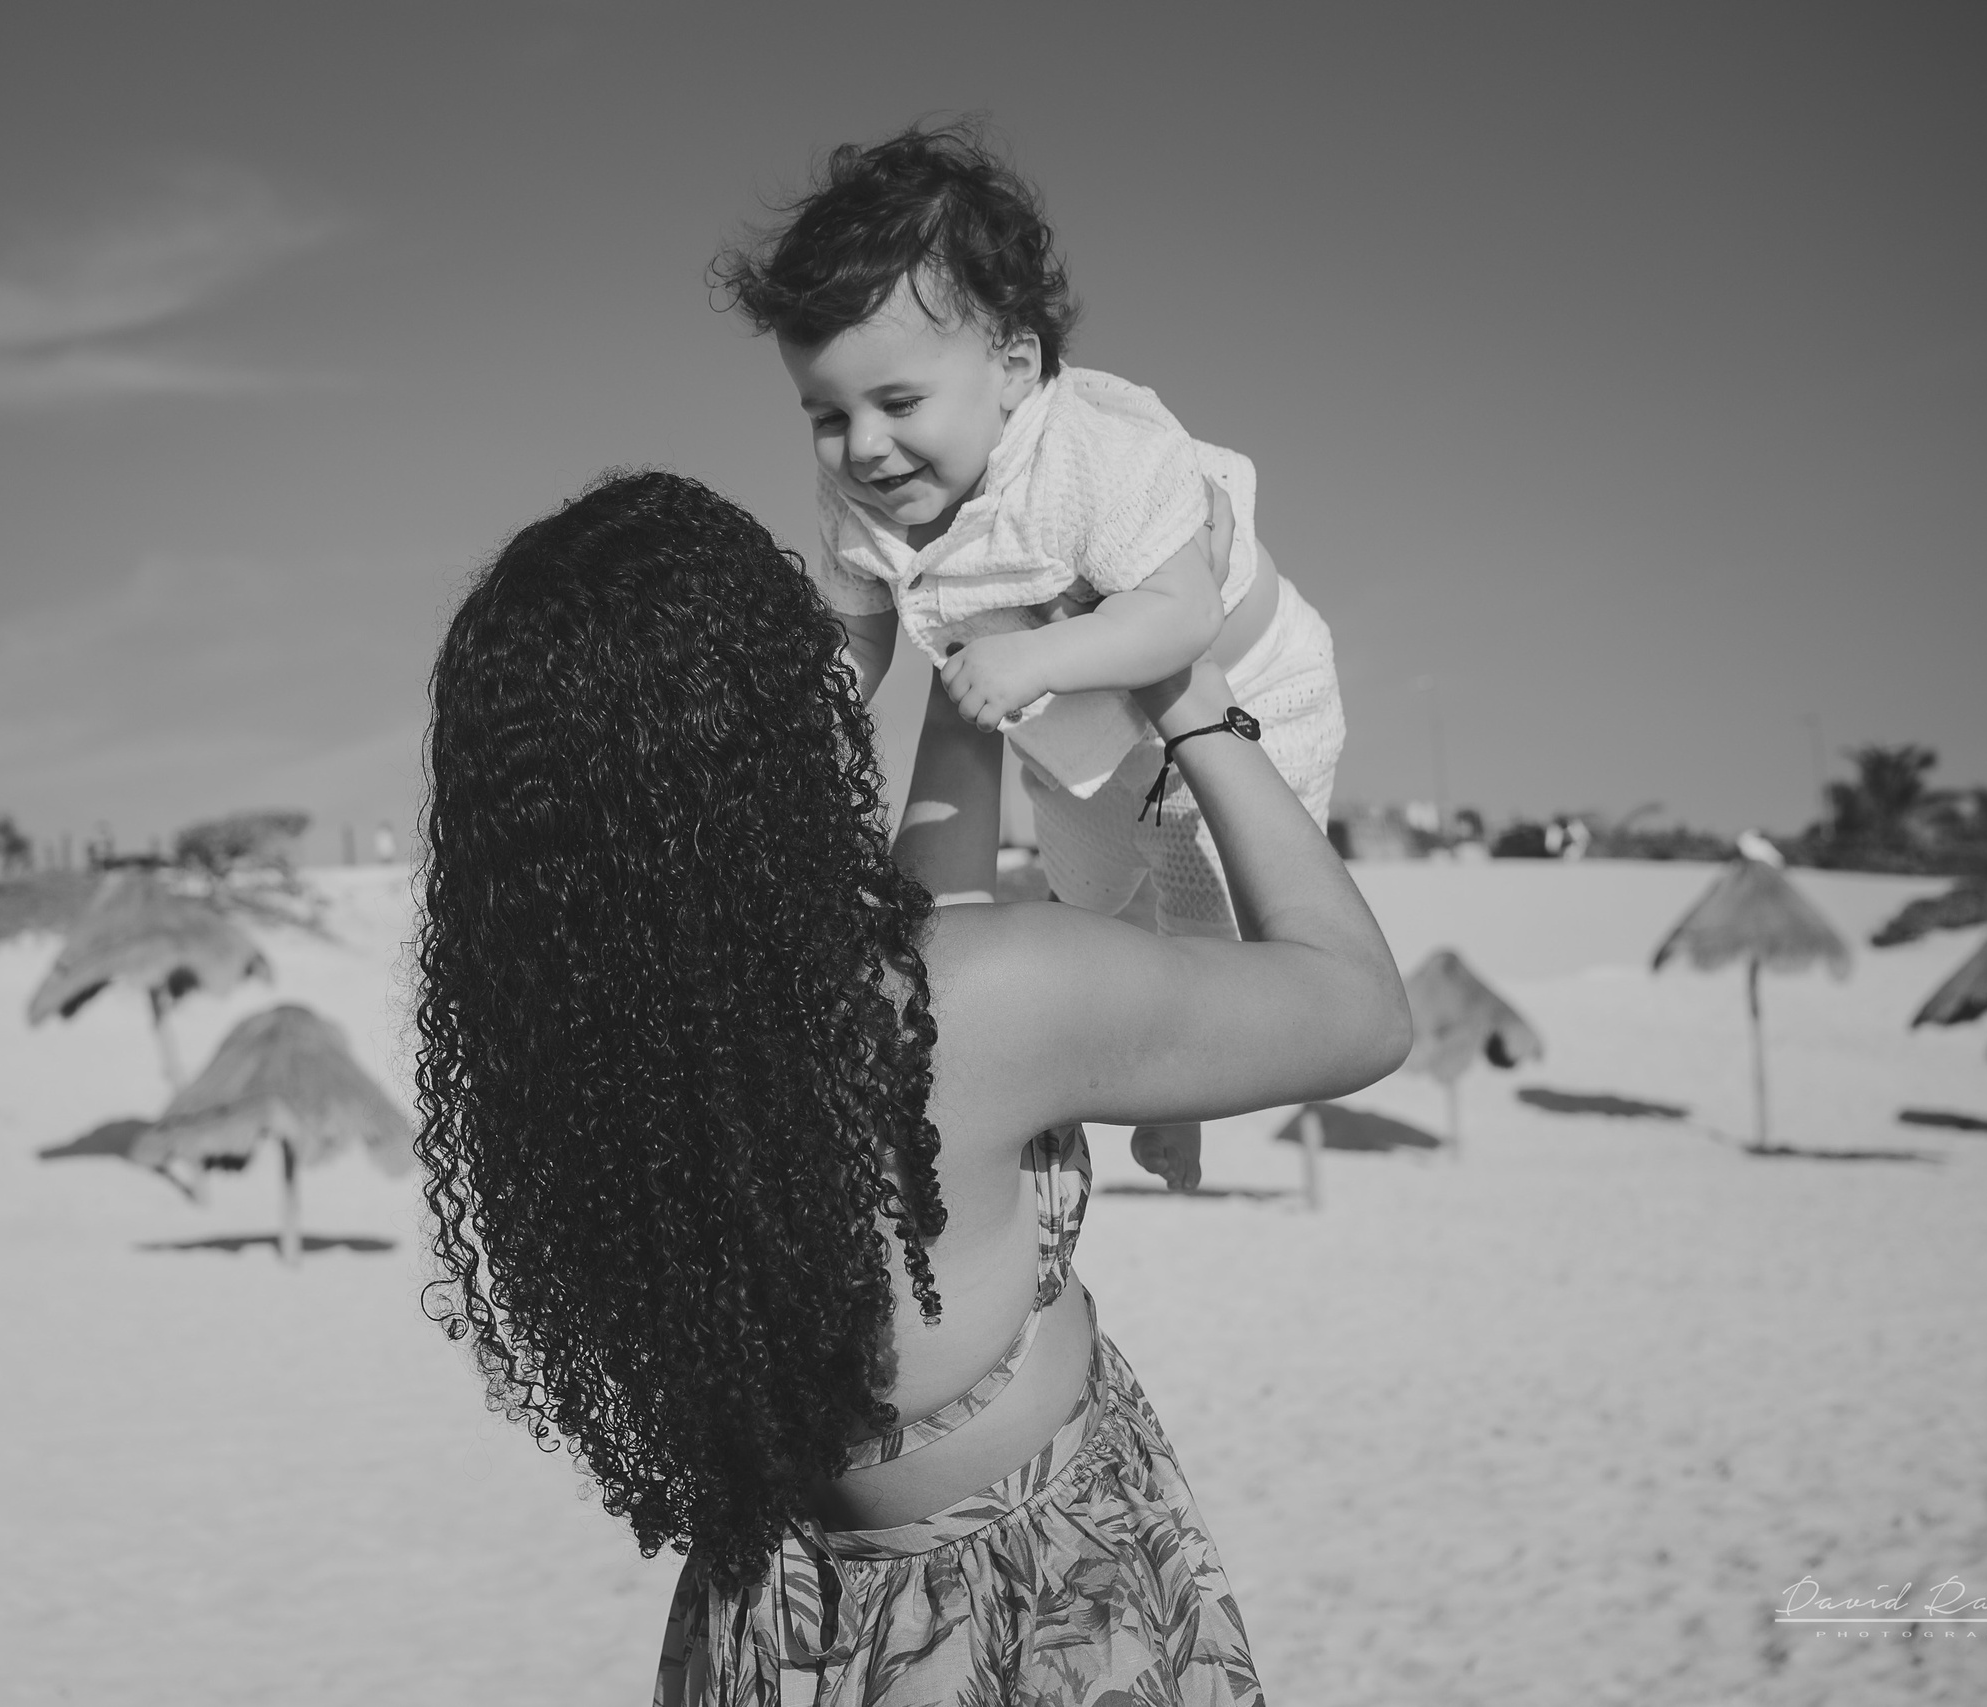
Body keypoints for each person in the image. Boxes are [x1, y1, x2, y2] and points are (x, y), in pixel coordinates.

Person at [417, 469, 1408, 1704]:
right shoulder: (989, 1000)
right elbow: (1359, 1008)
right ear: (770, 717)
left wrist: (977, 673)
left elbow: (923, 934)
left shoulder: (612, 1055)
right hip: (1029, 1617)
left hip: (775, 1623)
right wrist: (1198, 710)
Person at [714, 122, 1347, 1194]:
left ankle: (1183, 1103)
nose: (863, 447)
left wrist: (1039, 657)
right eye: (825, 415)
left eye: (898, 403)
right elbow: (858, 632)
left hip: (1243, 701)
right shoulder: (863, 503)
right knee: (1088, 894)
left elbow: (1177, 616)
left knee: (1205, 914)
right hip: (1081, 736)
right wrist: (803, 710)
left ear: (1012, 367)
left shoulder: (1093, 457)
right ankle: (1117, 1059)